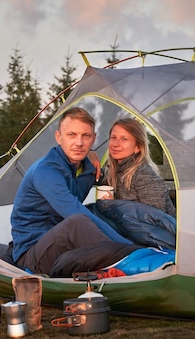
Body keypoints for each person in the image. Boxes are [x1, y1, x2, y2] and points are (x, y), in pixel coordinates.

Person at [11, 107, 135, 276]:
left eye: (86, 136)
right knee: (77, 222)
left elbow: (118, 180)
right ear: (58, 137)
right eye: (71, 135)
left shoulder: (89, 169)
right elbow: (73, 212)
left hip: (66, 246)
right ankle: (134, 259)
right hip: (33, 254)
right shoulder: (46, 171)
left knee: (104, 213)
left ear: (93, 139)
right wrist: (129, 247)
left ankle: (141, 254)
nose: (79, 143)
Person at [102, 118, 176, 217]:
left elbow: (156, 218)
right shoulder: (114, 172)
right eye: (113, 137)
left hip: (155, 230)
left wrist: (114, 207)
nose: (116, 144)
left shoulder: (144, 175)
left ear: (138, 147)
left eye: (124, 139)